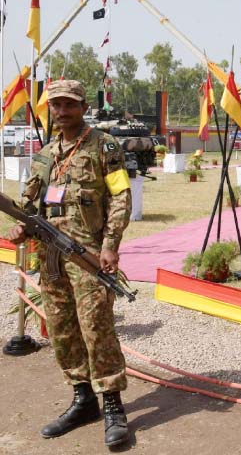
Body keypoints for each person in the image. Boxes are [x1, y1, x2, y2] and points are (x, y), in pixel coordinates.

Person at [6, 79, 132, 447]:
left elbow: (121, 196)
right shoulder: (45, 154)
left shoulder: (103, 145)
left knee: (97, 328)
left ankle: (112, 404)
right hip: (50, 256)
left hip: (88, 255)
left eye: (69, 105)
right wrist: (19, 227)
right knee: (61, 327)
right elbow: (30, 205)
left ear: (82, 106)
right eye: (56, 105)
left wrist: (110, 245)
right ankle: (82, 399)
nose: (62, 112)